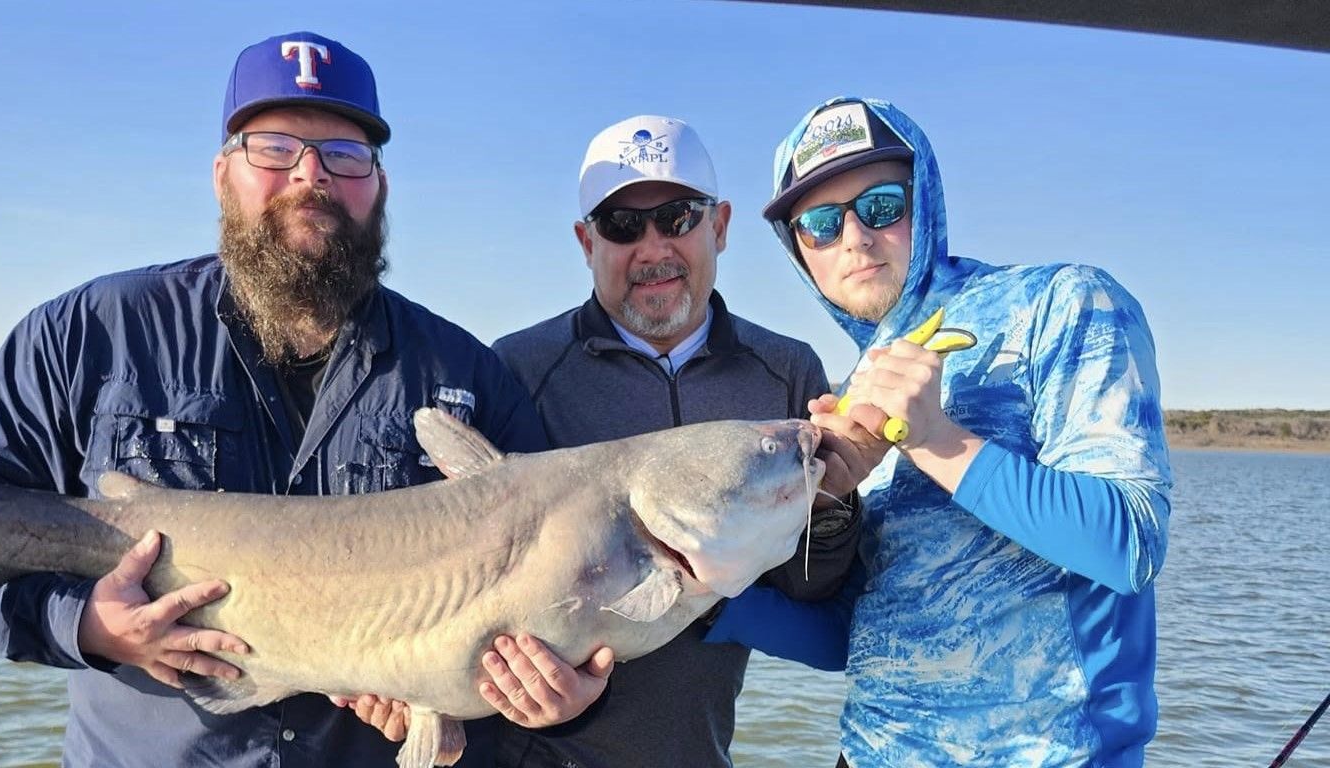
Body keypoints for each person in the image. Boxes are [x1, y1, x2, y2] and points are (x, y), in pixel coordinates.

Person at [0, 31, 547, 768]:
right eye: (275, 148)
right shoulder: (87, 333)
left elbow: (544, 610)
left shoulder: (469, 374)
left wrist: (480, 688)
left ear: (379, 185)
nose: (311, 175)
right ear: (223, 174)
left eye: (344, 154)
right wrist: (88, 624)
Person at [706, 97, 1174, 767]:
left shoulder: (1064, 303)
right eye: (820, 224)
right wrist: (712, 598)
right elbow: (855, 636)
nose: (854, 238)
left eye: (880, 206)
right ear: (799, 250)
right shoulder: (856, 388)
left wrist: (935, 440)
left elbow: (1129, 543)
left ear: (923, 200)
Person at [474, 115, 886, 768]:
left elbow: (809, 594)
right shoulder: (516, 369)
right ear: (586, 241)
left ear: (719, 226)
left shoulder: (786, 372)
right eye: (622, 225)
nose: (652, 248)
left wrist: (833, 504)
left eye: (677, 218)